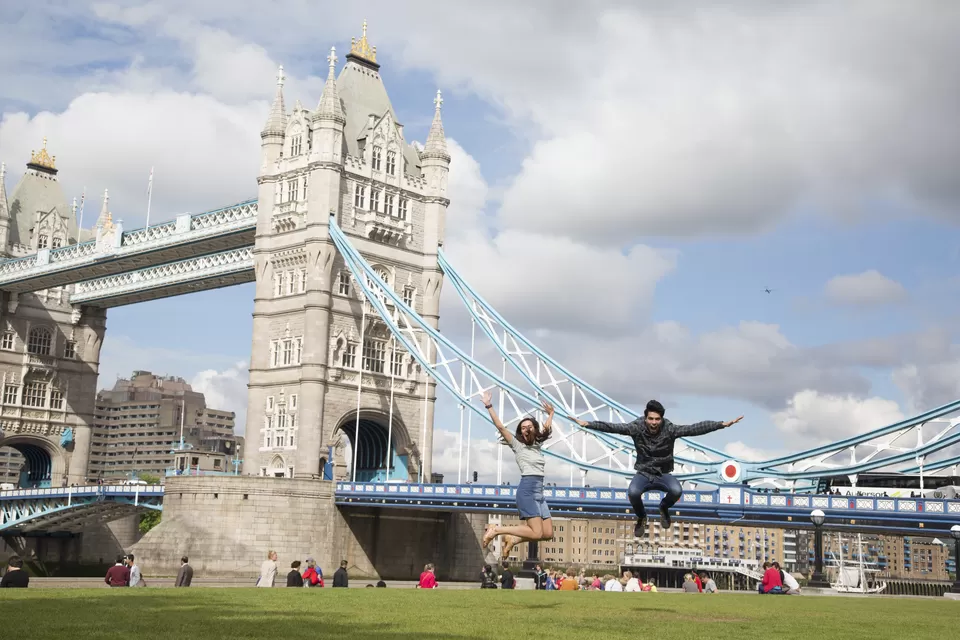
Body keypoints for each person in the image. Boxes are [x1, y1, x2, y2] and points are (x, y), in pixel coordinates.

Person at [571, 399, 742, 538]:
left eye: (657, 419)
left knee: (676, 490)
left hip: (663, 474)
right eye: (651, 419)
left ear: (661, 419)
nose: (654, 423)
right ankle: (641, 517)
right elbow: (613, 427)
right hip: (644, 473)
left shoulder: (670, 429)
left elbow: (694, 429)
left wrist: (721, 424)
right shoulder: (636, 428)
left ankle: (664, 509)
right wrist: (588, 424)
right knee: (633, 493)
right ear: (645, 418)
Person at [480, 390, 555, 558]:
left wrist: (551, 414)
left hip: (539, 492)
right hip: (527, 490)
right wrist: (488, 405)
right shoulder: (517, 445)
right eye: (523, 427)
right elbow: (500, 426)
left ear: (534, 429)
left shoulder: (537, 445)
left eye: (529, 426)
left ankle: (513, 539)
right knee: (535, 533)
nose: (526, 429)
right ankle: (496, 530)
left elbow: (546, 429)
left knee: (548, 533)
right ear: (521, 432)